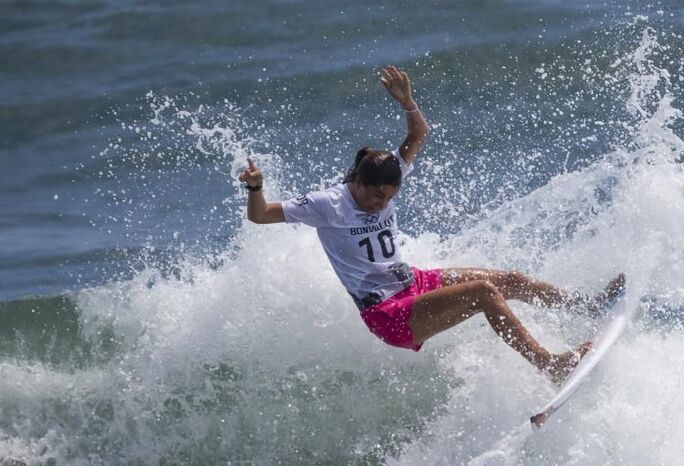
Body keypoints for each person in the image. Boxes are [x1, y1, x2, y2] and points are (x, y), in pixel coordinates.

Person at [240, 66, 624, 384]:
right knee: (486, 293)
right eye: (377, 197)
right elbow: (260, 215)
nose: (382, 205)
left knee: (510, 279)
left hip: (412, 283)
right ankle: (550, 366)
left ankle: (584, 306)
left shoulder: (387, 175)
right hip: (387, 314)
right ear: (358, 182)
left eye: (390, 197)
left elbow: (418, 134)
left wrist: (408, 103)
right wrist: (256, 187)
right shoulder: (327, 204)